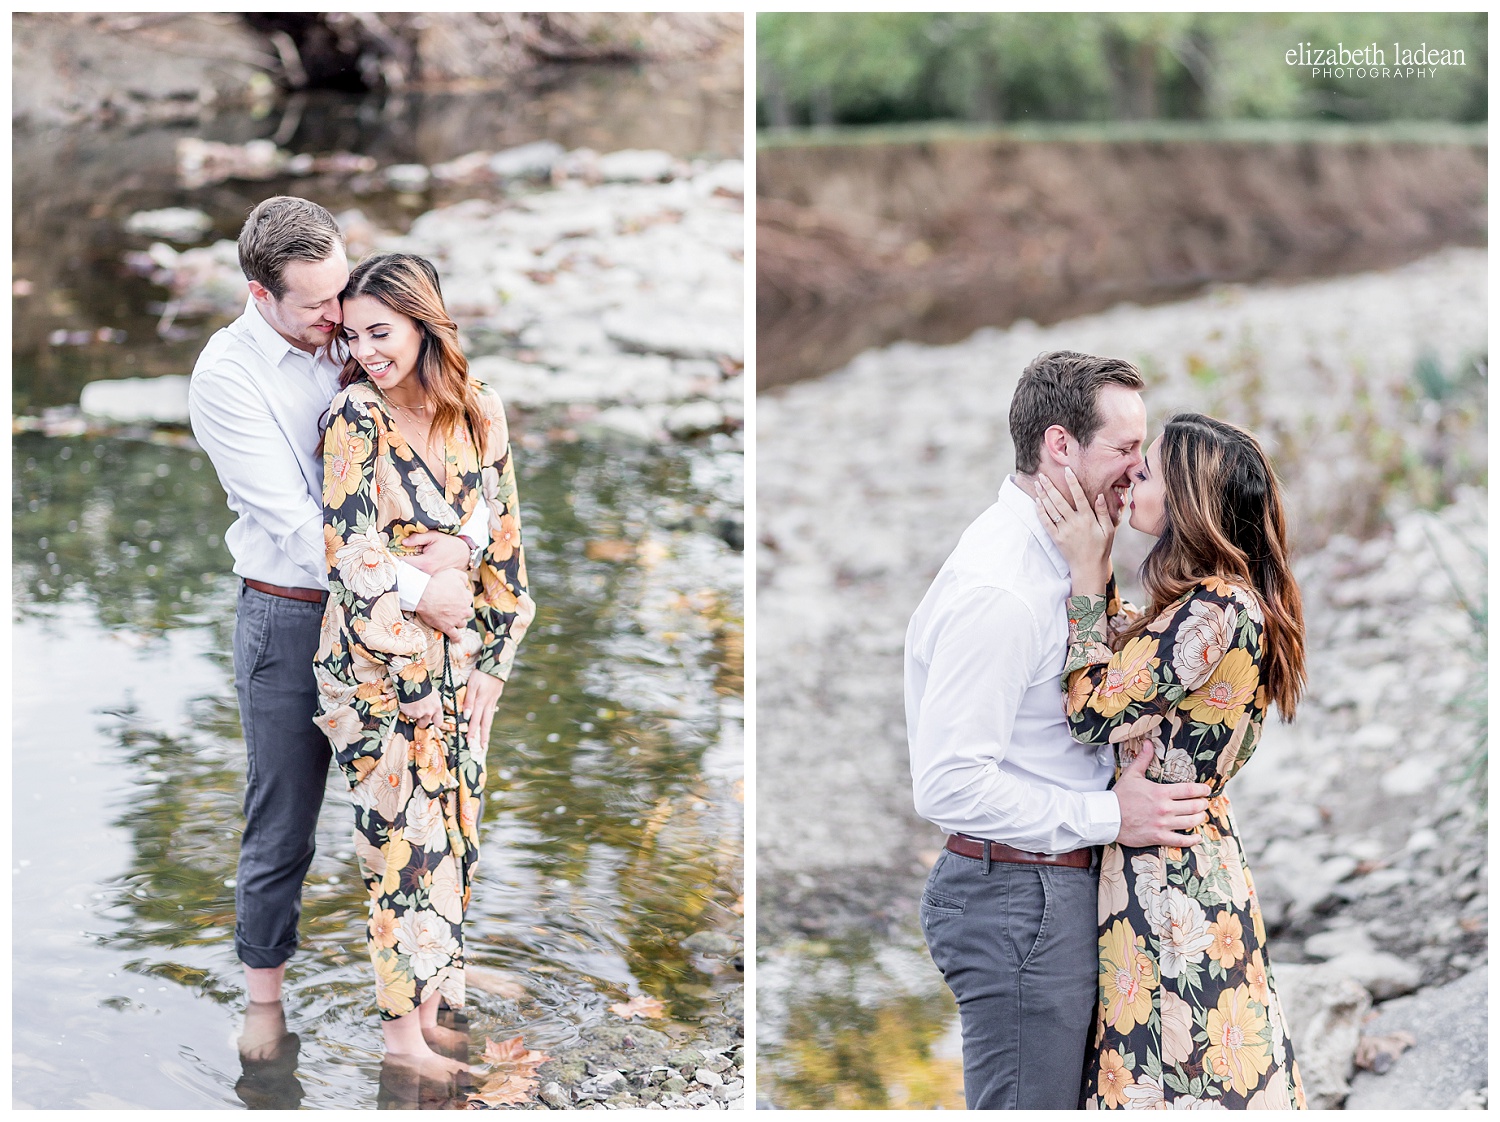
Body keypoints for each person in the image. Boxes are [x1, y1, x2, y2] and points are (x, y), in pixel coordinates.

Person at [187, 197, 489, 1061]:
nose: (339, 321)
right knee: (283, 817)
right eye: (319, 307)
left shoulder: (361, 337)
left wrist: (458, 549)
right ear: (260, 292)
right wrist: (419, 586)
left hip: (395, 620)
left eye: (344, 297)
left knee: (417, 806)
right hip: (293, 612)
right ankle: (264, 1000)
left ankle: (429, 983)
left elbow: (445, 465)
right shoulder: (226, 377)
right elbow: (295, 527)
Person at [905, 350, 1214, 1110]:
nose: (1140, 472)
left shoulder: (1068, 558)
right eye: (1126, 450)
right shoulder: (1002, 590)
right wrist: (1114, 815)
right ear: (1060, 446)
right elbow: (948, 783)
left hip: (1050, 887)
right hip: (1018, 896)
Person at [1034, 413, 1307, 1109]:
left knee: (1171, 1070)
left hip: (1167, 876)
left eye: (1147, 472)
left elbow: (1094, 709)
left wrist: (1088, 578)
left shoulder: (1213, 610)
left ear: (1187, 499)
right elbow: (1141, 674)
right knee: (1214, 1063)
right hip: (1197, 852)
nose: (1132, 480)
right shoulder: (1222, 601)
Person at [313, 252, 535, 1076]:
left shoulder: (481, 411)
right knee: (401, 843)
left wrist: (494, 663)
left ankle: (434, 1007)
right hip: (375, 668)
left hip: (463, 659)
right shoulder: (354, 420)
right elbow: (349, 553)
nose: (368, 349)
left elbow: (504, 537)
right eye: (355, 334)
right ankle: (400, 1046)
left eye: (384, 332)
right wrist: (411, 678)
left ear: (424, 325)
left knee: (456, 833)